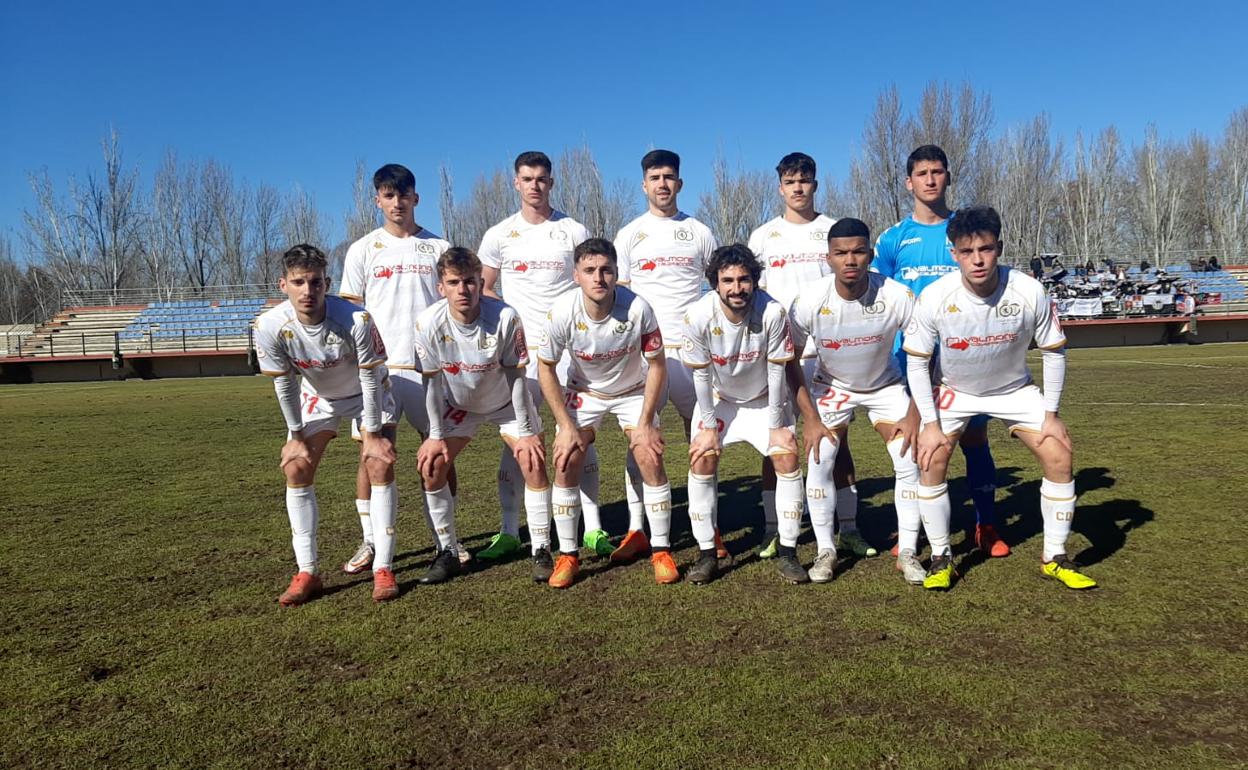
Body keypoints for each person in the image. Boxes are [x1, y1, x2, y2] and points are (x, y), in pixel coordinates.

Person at [904, 206, 1096, 591]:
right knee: (931, 456)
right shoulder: (935, 297)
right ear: (953, 253)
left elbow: (1054, 351)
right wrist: (928, 423)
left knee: (1059, 452)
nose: (978, 259)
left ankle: (1055, 558)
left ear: (999, 247)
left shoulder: (1028, 290)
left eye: (987, 249)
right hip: (956, 392)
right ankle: (942, 556)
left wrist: (1052, 414)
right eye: (967, 251)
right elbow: (917, 363)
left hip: (1014, 391)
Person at [872, 145, 1009, 558]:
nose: (930, 179)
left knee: (974, 437)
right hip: (910, 360)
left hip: (964, 359)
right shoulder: (893, 238)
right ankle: (912, 531)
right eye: (922, 173)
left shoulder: (966, 233)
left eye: (937, 171)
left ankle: (985, 524)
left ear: (948, 177)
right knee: (915, 443)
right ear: (908, 181)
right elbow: (878, 297)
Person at [477, 152, 606, 560]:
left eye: (542, 179)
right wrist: (508, 317)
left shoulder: (572, 230)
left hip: (571, 351)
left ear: (552, 183)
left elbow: (589, 279)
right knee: (518, 441)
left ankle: (594, 528)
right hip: (521, 355)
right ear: (515, 183)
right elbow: (484, 286)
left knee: (579, 434)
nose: (535, 185)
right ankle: (510, 529)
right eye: (527, 178)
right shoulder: (499, 234)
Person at [338, 163, 465, 574]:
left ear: (416, 197)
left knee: (441, 454)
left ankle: (447, 540)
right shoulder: (362, 250)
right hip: (380, 370)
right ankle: (371, 541)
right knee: (372, 456)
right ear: (378, 200)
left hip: (431, 370)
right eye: (388, 196)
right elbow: (350, 312)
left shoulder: (438, 248)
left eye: (403, 195)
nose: (397, 203)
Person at [254, 244, 399, 606]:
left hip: (368, 393)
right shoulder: (269, 325)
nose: (308, 291)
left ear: (327, 283)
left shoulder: (356, 319)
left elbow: (370, 379)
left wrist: (373, 434)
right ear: (283, 284)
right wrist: (296, 436)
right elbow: (283, 382)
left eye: (315, 282)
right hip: (318, 397)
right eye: (299, 282)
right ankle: (307, 571)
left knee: (378, 462)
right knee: (296, 466)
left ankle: (383, 566)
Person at [787, 219, 923, 584]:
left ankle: (907, 551)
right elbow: (790, 362)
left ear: (871, 254)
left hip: (885, 385)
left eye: (859, 251)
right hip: (832, 386)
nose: (851, 260)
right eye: (841, 253)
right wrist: (811, 419)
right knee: (821, 457)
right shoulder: (809, 301)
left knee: (908, 455)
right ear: (828, 257)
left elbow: (927, 356)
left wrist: (914, 414)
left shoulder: (897, 295)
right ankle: (825, 550)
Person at [747, 153, 866, 560]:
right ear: (780, 187)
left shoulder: (832, 231)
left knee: (837, 438)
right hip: (780, 355)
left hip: (828, 352)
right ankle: (775, 528)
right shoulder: (763, 236)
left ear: (816, 185)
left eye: (805, 180)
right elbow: (751, 294)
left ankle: (848, 527)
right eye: (790, 181)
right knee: (776, 441)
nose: (798, 188)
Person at [537, 238, 676, 587]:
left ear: (616, 274)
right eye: (589, 271)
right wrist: (565, 426)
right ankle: (567, 555)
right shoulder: (561, 312)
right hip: (585, 392)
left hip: (632, 391)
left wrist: (645, 423)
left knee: (649, 455)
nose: (598, 278)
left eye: (606, 270)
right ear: (576, 275)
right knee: (566, 459)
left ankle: (661, 550)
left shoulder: (638, 308)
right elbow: (545, 368)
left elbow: (657, 364)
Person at [414, 247, 552, 584]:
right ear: (440, 287)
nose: (463, 290)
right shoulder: (427, 323)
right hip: (459, 406)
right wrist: (434, 435)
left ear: (481, 282)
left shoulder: (506, 317)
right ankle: (446, 552)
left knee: (532, 460)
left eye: (470, 282)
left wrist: (525, 431)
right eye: (454, 282)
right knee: (433, 467)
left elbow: (517, 379)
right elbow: (430, 385)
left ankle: (542, 549)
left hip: (506, 402)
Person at [613, 149, 719, 561]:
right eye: (655, 177)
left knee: (704, 435)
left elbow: (717, 290)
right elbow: (620, 296)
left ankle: (708, 525)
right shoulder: (629, 234)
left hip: (692, 352)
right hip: (648, 355)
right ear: (644, 184)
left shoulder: (699, 231)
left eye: (669, 177)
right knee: (641, 437)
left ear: (680, 183)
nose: (662, 183)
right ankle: (637, 527)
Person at [682, 244, 805, 584]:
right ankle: (707, 555)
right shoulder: (698, 316)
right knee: (702, 458)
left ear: (755, 280)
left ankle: (789, 553)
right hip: (721, 400)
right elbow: (702, 376)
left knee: (786, 458)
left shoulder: (773, 313)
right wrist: (708, 427)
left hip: (765, 398)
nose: (737, 288)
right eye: (728, 281)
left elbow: (778, 370)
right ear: (715, 284)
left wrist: (778, 424)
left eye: (744, 279)